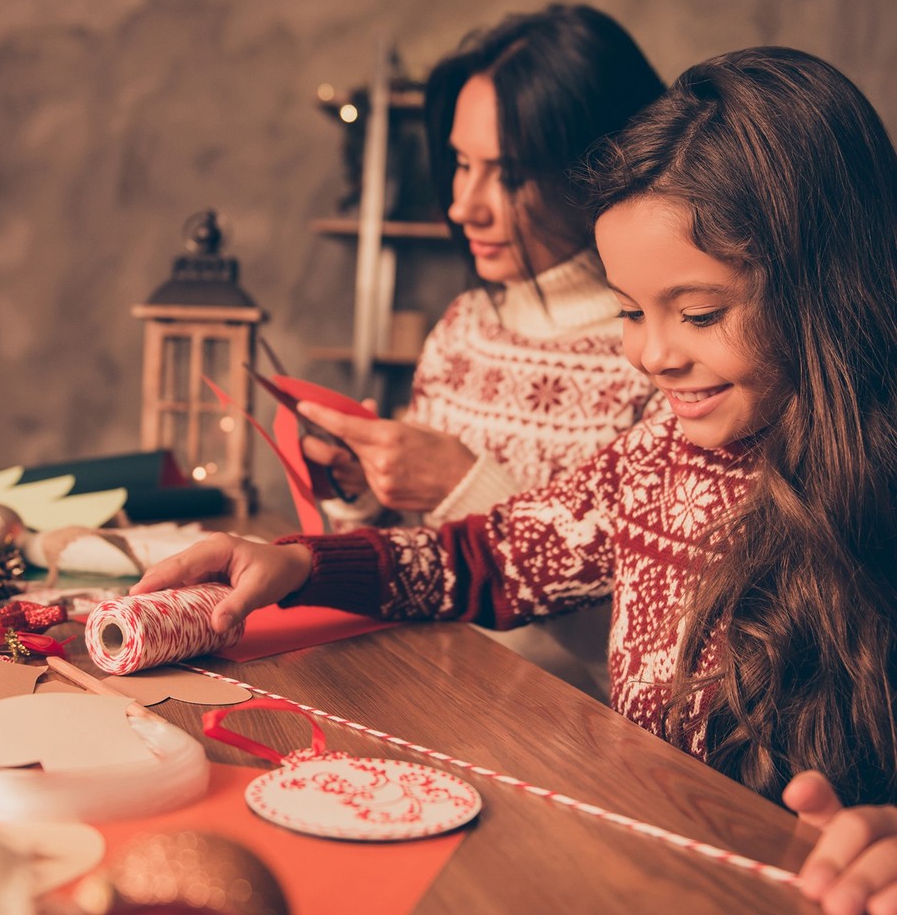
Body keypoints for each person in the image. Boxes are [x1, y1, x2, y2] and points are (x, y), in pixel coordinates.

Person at [135, 46, 897, 911]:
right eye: (627, 311)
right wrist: (306, 565)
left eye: (699, 313)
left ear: (828, 283)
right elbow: (489, 557)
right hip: (661, 870)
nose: (652, 355)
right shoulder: (659, 455)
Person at [303, 5, 665, 697]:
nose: (464, 204)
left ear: (601, 163)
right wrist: (363, 489)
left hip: (570, 731)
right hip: (428, 687)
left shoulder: (662, 353)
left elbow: (644, 650)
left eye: (507, 173)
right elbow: (417, 554)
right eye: (462, 163)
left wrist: (466, 487)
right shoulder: (463, 327)